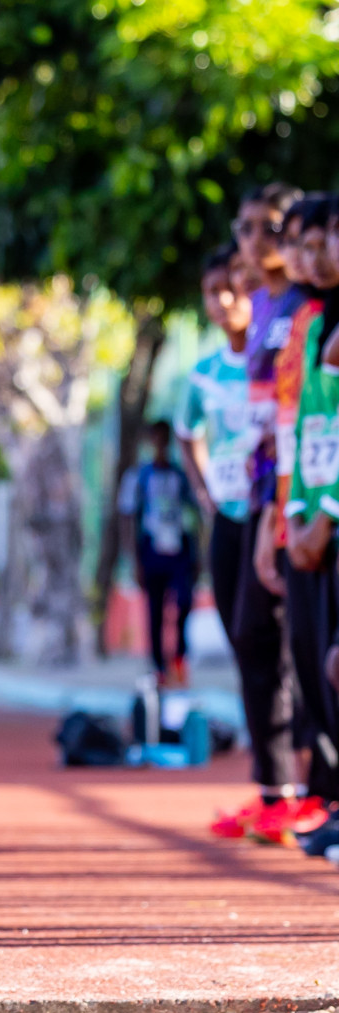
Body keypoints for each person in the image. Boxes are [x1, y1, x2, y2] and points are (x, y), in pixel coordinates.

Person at [178, 240, 300, 840]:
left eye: (236, 288)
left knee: (275, 639)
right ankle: (273, 786)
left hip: (274, 507)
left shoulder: (278, 347)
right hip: (232, 513)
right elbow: (186, 435)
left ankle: (297, 783)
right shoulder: (201, 373)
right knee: (244, 637)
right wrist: (204, 490)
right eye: (215, 292)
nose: (227, 301)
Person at [277, 195, 339, 852]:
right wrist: (299, 512)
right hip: (313, 513)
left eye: (325, 240)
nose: (317, 255)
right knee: (320, 660)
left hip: (331, 514)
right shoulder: (315, 321)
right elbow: (306, 427)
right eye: (311, 242)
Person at [118, 420, 198, 687]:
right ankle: (158, 667)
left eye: (165, 438)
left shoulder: (180, 475)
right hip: (151, 550)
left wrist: (198, 555)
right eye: (156, 438)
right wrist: (134, 559)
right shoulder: (139, 477)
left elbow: (195, 512)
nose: (161, 444)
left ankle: (179, 658)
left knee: (184, 601)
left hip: (178, 550)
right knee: (154, 609)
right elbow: (128, 517)